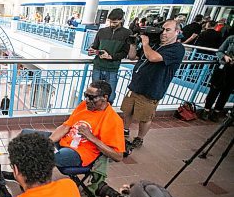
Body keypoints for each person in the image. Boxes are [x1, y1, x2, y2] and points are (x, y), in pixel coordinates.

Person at [21, 81, 125, 191]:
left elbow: (118, 156)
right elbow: (65, 127)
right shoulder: (84, 106)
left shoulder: (113, 120)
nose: (87, 101)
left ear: (105, 97)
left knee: (43, 153)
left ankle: (27, 180)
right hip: (64, 141)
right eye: (86, 96)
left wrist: (91, 137)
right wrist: (49, 141)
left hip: (80, 152)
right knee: (25, 135)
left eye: (92, 97)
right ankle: (24, 173)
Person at [122, 19, 185, 149]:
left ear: (177, 32)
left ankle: (139, 138)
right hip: (136, 85)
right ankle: (125, 130)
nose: (164, 33)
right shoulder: (155, 44)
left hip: (151, 90)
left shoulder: (177, 48)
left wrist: (145, 43)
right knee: (128, 110)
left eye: (168, 30)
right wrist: (133, 44)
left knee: (145, 117)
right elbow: (133, 57)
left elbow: (153, 58)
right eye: (163, 29)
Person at [88, 8, 132, 103]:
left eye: (115, 22)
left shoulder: (127, 33)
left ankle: (106, 114)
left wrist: (110, 56)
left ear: (121, 20)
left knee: (110, 97)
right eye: (111, 22)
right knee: (93, 94)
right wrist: (92, 50)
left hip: (112, 68)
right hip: (98, 66)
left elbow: (125, 52)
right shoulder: (102, 31)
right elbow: (95, 46)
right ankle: (95, 114)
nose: (112, 24)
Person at [199, 35, 234, 122]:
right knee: (214, 89)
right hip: (224, 67)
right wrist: (224, 57)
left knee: (226, 93)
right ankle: (206, 110)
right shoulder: (231, 38)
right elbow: (220, 51)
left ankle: (216, 112)